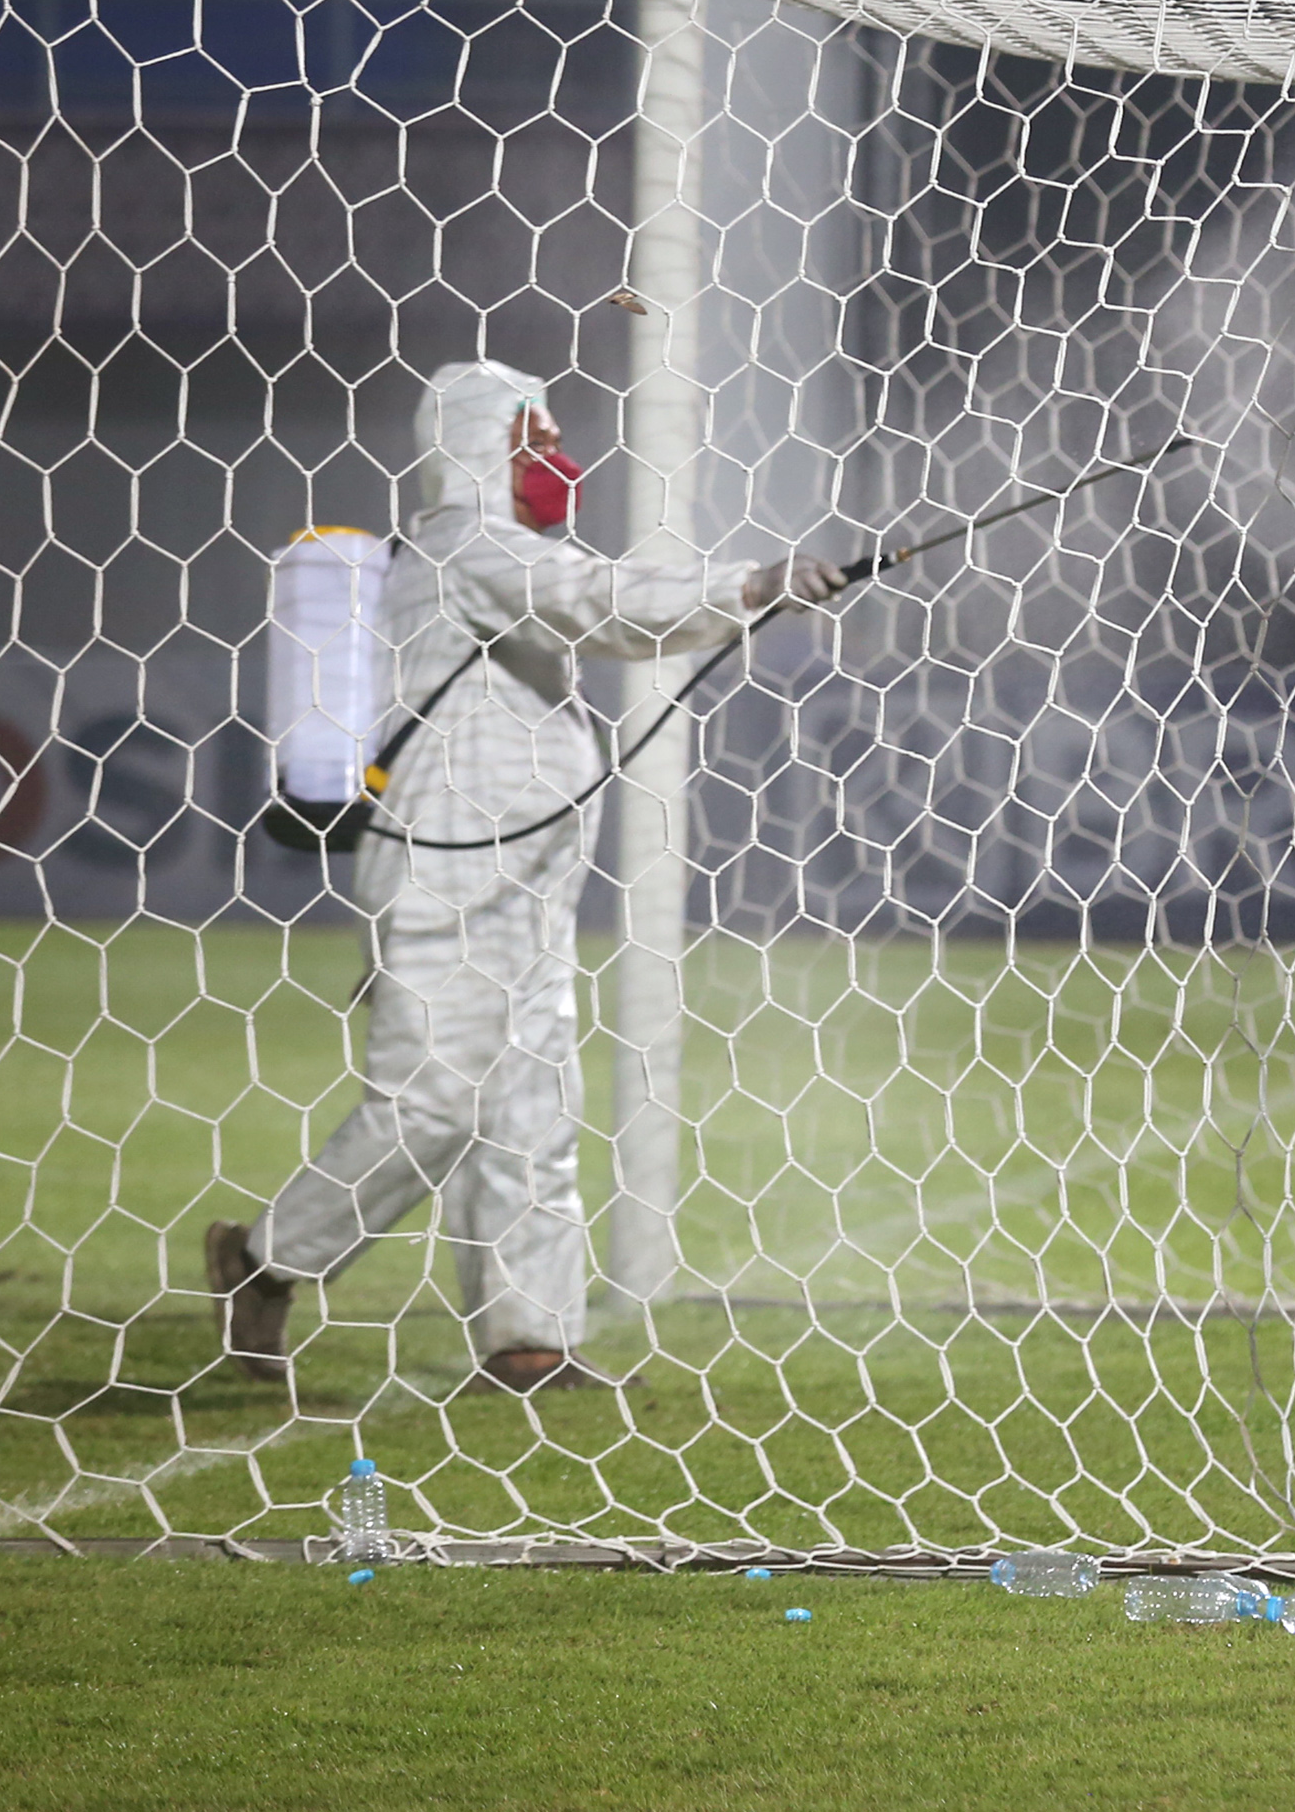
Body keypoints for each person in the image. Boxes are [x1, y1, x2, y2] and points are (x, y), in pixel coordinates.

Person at [207, 359, 834, 1394]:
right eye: (533, 438)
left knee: (531, 1109)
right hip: (441, 879)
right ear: (475, 445)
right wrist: (752, 585)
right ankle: (266, 1255)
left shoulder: (492, 552)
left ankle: (528, 1341)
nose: (557, 458)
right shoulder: (468, 546)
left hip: (525, 882)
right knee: (432, 1104)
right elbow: (606, 604)